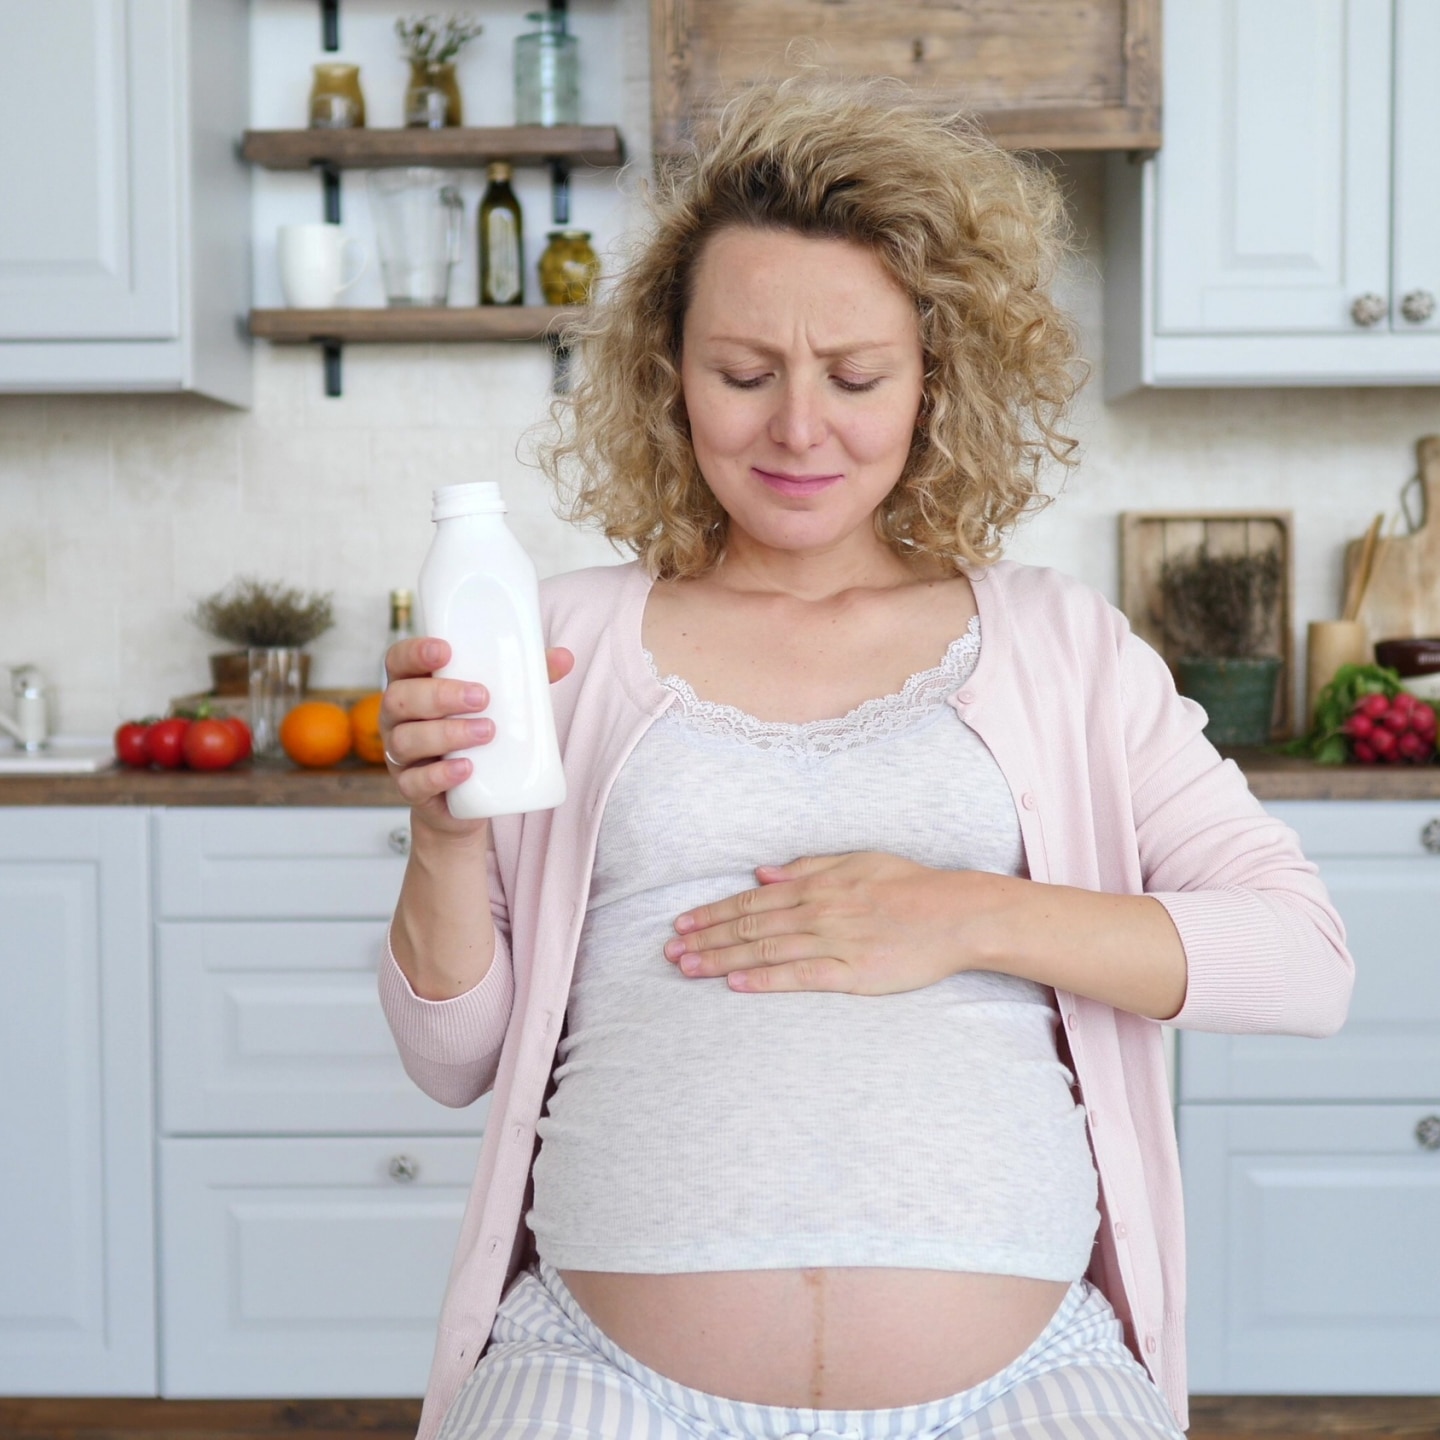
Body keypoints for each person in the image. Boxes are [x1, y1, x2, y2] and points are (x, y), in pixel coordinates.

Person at [377, 75, 1353, 1440]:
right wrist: (445, 836)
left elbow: (1305, 962)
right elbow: (452, 1058)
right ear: (669, 376)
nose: (796, 429)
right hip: (597, 1370)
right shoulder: (562, 641)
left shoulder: (1059, 648)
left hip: (1027, 1378)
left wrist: (964, 913)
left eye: (853, 376)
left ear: (935, 380)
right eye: (742, 373)